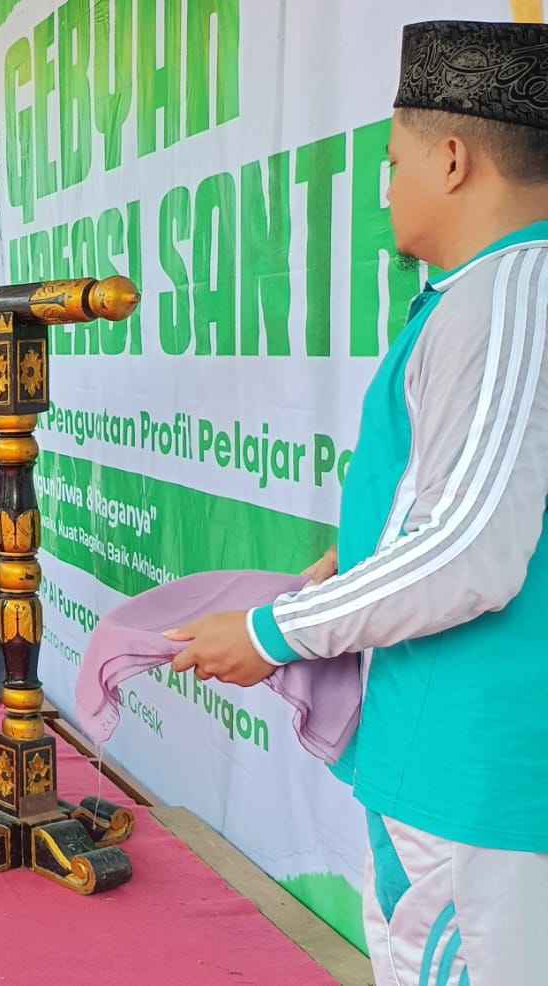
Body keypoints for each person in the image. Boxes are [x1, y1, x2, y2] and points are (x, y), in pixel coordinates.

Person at [165, 21, 548, 986]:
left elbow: (469, 550)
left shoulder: (514, 292)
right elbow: (468, 502)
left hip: (483, 773)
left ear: (453, 158)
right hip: (440, 756)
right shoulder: (479, 295)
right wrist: (352, 564)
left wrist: (275, 630)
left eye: (393, 162)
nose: (387, 189)